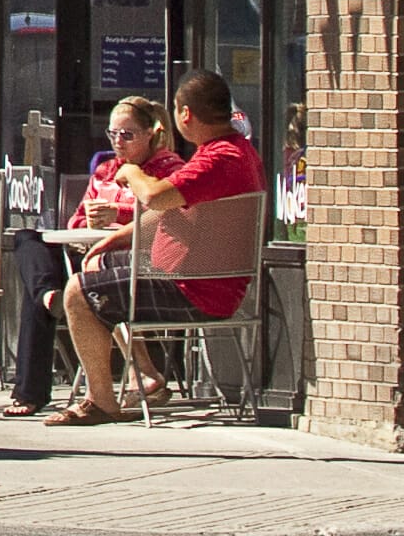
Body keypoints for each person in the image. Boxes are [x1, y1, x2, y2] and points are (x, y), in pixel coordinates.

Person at [49, 69, 262, 426]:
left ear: (185, 114)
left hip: (194, 289)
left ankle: (102, 400)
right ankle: (131, 381)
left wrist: (132, 172)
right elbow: (171, 215)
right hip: (201, 283)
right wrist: (115, 239)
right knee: (99, 277)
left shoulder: (218, 158)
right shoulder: (234, 153)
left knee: (77, 293)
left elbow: (156, 198)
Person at [1, 96, 174, 416]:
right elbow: (75, 221)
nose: (118, 142)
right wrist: (90, 221)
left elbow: (164, 218)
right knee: (27, 240)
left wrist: (118, 214)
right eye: (113, 135)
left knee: (41, 293)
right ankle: (51, 296)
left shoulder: (165, 169)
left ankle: (29, 393)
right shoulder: (106, 170)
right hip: (89, 254)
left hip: (136, 262)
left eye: (127, 135)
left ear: (151, 133)